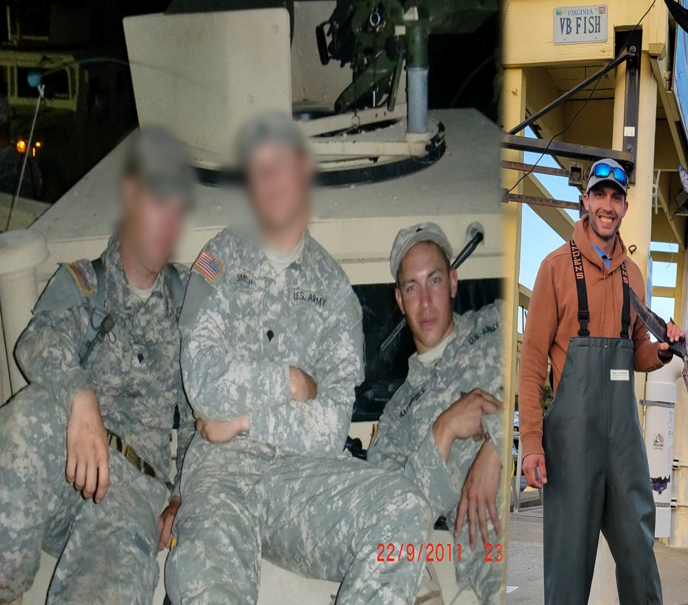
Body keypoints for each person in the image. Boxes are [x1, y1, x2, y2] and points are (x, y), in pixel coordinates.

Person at [164, 112, 429, 605]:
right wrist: (288, 381)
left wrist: (241, 421)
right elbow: (202, 382)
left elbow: (330, 426)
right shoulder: (217, 259)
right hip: (222, 474)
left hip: (300, 479)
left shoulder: (335, 291)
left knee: (404, 505)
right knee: (205, 585)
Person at [0, 128, 194, 604]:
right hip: (68, 472)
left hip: (132, 493)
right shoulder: (86, 283)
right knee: (29, 414)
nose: (168, 222)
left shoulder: (188, 301)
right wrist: (82, 398)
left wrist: (183, 495)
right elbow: (36, 342)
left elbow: (198, 420)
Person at [517, 158, 682, 604]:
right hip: (571, 444)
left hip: (623, 445)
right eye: (600, 195)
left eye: (617, 197)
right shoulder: (554, 268)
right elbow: (532, 359)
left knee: (639, 559)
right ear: (585, 200)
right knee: (568, 572)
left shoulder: (634, 276)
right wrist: (531, 440)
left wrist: (662, 351)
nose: (608, 205)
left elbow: (637, 352)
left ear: (626, 206)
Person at [367, 222, 506, 604]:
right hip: (495, 555)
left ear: (455, 282)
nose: (425, 302)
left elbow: (557, 378)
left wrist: (497, 443)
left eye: (435, 280)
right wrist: (442, 431)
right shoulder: (397, 419)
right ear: (399, 299)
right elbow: (394, 516)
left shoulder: (499, 323)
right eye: (412, 287)